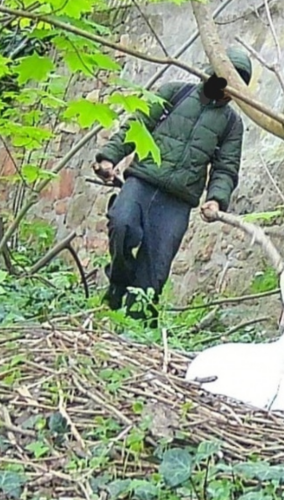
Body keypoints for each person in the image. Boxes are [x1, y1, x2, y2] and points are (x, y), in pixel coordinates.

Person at [92, 47, 253, 321]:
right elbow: (138, 125)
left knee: (155, 269)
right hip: (141, 181)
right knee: (121, 223)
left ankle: (136, 327)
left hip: (177, 201)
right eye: (223, 77)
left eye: (234, 83)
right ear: (213, 72)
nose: (226, 87)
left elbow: (225, 168)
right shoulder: (175, 92)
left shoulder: (231, 124)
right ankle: (118, 283)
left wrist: (216, 198)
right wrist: (109, 157)